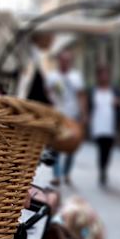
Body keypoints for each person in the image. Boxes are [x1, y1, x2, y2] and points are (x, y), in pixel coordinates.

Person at [46, 50, 86, 185]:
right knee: (55, 145)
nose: (65, 63)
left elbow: (81, 96)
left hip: (73, 116)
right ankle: (57, 175)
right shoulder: (52, 77)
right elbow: (47, 94)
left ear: (70, 62)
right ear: (59, 61)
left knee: (72, 145)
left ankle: (67, 173)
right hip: (57, 115)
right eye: (63, 60)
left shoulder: (76, 77)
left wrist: (83, 113)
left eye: (67, 60)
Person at [87, 64, 120, 187]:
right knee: (100, 149)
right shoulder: (93, 90)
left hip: (110, 125)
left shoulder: (115, 90)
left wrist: (119, 103)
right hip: (98, 125)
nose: (104, 76)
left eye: (106, 74)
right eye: (101, 74)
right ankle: (102, 170)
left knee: (108, 150)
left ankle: (104, 168)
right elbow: (89, 106)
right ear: (98, 76)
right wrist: (88, 119)